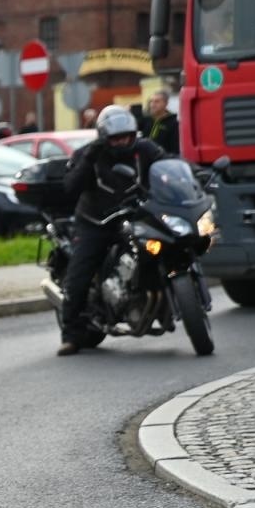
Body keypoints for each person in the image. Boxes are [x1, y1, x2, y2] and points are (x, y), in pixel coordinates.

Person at [56, 104, 165, 356]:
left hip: (137, 215)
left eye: (126, 136)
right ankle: (70, 334)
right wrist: (88, 160)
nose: (122, 142)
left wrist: (193, 174)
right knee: (80, 272)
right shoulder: (89, 154)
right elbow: (70, 186)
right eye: (116, 138)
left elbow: (168, 164)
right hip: (96, 221)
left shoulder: (145, 149)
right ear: (105, 137)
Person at [147, 89, 179, 155]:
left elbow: (175, 148)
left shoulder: (174, 122)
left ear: (166, 103)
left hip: (165, 160)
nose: (152, 105)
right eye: (151, 101)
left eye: (157, 101)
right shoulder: (147, 120)